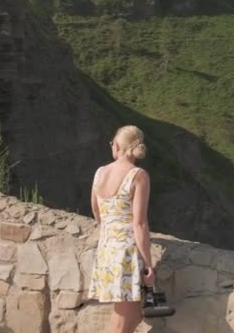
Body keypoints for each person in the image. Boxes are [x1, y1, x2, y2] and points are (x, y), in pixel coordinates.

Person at [88, 125, 154, 333]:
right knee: (123, 321)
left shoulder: (100, 173)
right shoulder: (138, 175)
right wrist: (148, 265)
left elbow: (97, 212)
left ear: (116, 146)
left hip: (106, 249)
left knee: (130, 316)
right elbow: (140, 223)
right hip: (126, 253)